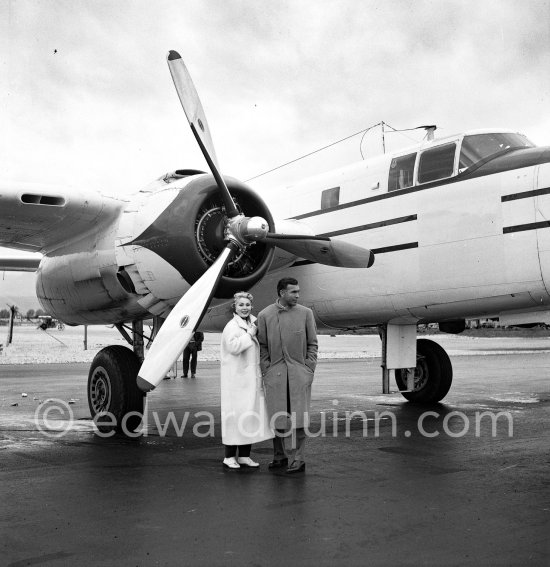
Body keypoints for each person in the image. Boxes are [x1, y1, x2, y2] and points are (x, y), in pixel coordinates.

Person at [257, 277, 318, 474]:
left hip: (299, 373)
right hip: (275, 374)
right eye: (293, 292)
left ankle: (299, 459)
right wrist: (267, 369)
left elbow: (312, 343)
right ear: (282, 293)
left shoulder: (306, 313)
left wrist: (308, 369)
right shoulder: (265, 315)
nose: (298, 295)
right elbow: (263, 346)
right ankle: (279, 455)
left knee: (299, 418)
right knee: (278, 416)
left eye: (298, 291)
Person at [220, 291, 274, 469]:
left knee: (249, 416)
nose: (244, 308)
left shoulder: (253, 322)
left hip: (250, 379)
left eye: (247, 305)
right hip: (236, 380)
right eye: (241, 305)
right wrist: (249, 334)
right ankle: (229, 457)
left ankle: (244, 455)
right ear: (234, 307)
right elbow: (234, 347)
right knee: (235, 418)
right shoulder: (232, 326)